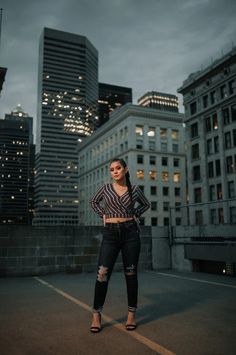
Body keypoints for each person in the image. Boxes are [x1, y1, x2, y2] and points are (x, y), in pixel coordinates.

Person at [89, 157, 150, 333]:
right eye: (112, 169)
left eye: (118, 168)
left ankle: (131, 314)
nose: (115, 171)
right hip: (110, 234)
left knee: (130, 274)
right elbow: (93, 202)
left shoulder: (134, 190)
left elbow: (146, 204)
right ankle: (96, 314)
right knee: (102, 273)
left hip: (131, 233)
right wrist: (104, 215)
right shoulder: (106, 189)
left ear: (125, 170)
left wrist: (135, 215)